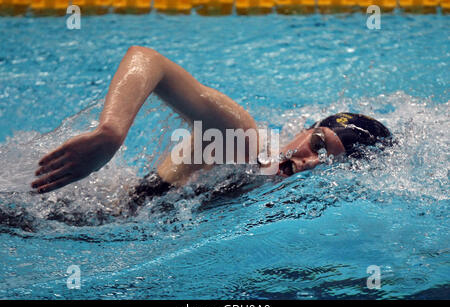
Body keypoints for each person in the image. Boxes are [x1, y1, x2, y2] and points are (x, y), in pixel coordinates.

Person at [31, 46, 392, 204]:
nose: (311, 161)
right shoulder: (243, 143)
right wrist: (110, 134)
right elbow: (148, 60)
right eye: (318, 143)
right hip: (48, 205)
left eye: (329, 162)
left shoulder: (261, 190)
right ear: (304, 128)